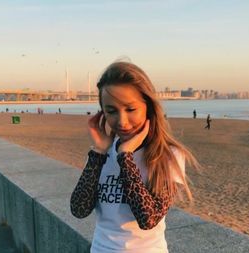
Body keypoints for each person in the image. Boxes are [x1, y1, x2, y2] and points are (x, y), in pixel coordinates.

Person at [70, 62, 200, 253]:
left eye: (130, 109)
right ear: (102, 113)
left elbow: (148, 219)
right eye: (111, 111)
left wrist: (125, 157)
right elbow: (79, 209)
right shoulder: (100, 155)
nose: (122, 121)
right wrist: (98, 153)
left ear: (148, 107)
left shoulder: (169, 156)